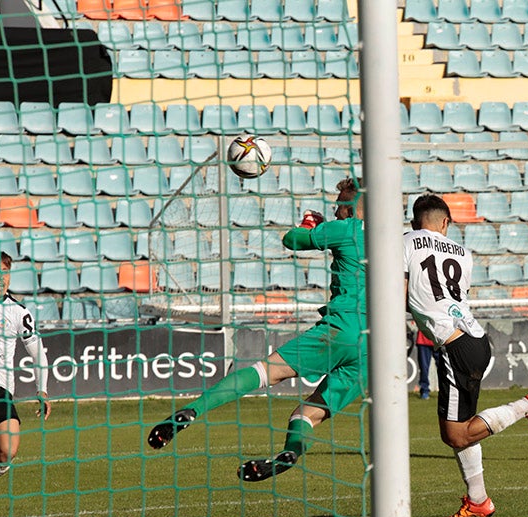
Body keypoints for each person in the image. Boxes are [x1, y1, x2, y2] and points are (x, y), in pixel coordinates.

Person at [148, 178, 367, 482]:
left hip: (342, 328)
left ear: (354, 206)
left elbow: (292, 240)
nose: (336, 210)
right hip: (375, 346)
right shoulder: (396, 240)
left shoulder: (349, 228)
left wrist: (308, 225)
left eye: (340, 204)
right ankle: (289, 456)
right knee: (307, 414)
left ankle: (191, 411)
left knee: (266, 371)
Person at [404, 194, 528, 517]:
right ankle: (479, 500)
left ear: (415, 221)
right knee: (463, 428)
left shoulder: (406, 242)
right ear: (445, 223)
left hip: (454, 346)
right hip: (474, 338)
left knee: (455, 433)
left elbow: (403, 292)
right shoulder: (462, 252)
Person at [0, 250, 51, 491]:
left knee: (6, 452)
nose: (1, 278)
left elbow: (38, 353)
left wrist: (42, 390)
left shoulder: (18, 312)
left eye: (6, 273)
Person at [414, 329, 439, 400]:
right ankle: (424, 390)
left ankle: (445, 391)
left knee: (443, 369)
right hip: (423, 340)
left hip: (438, 339)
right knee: (424, 368)